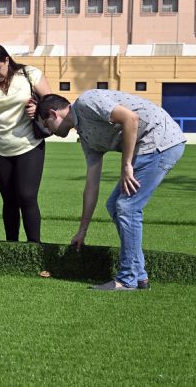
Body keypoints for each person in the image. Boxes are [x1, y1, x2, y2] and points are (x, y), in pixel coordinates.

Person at [36, 90, 186, 290]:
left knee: (127, 207)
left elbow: (130, 118)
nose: (49, 131)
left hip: (161, 141)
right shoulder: (86, 137)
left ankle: (127, 279)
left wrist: (126, 166)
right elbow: (91, 185)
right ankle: (139, 276)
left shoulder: (86, 102)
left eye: (47, 125)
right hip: (148, 147)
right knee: (114, 206)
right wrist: (82, 230)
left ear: (54, 114)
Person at [0, 44, 52, 242]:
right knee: (9, 200)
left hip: (29, 146)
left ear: (7, 60)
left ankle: (35, 247)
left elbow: (52, 104)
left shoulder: (29, 74)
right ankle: (12, 247)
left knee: (26, 196)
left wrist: (38, 110)